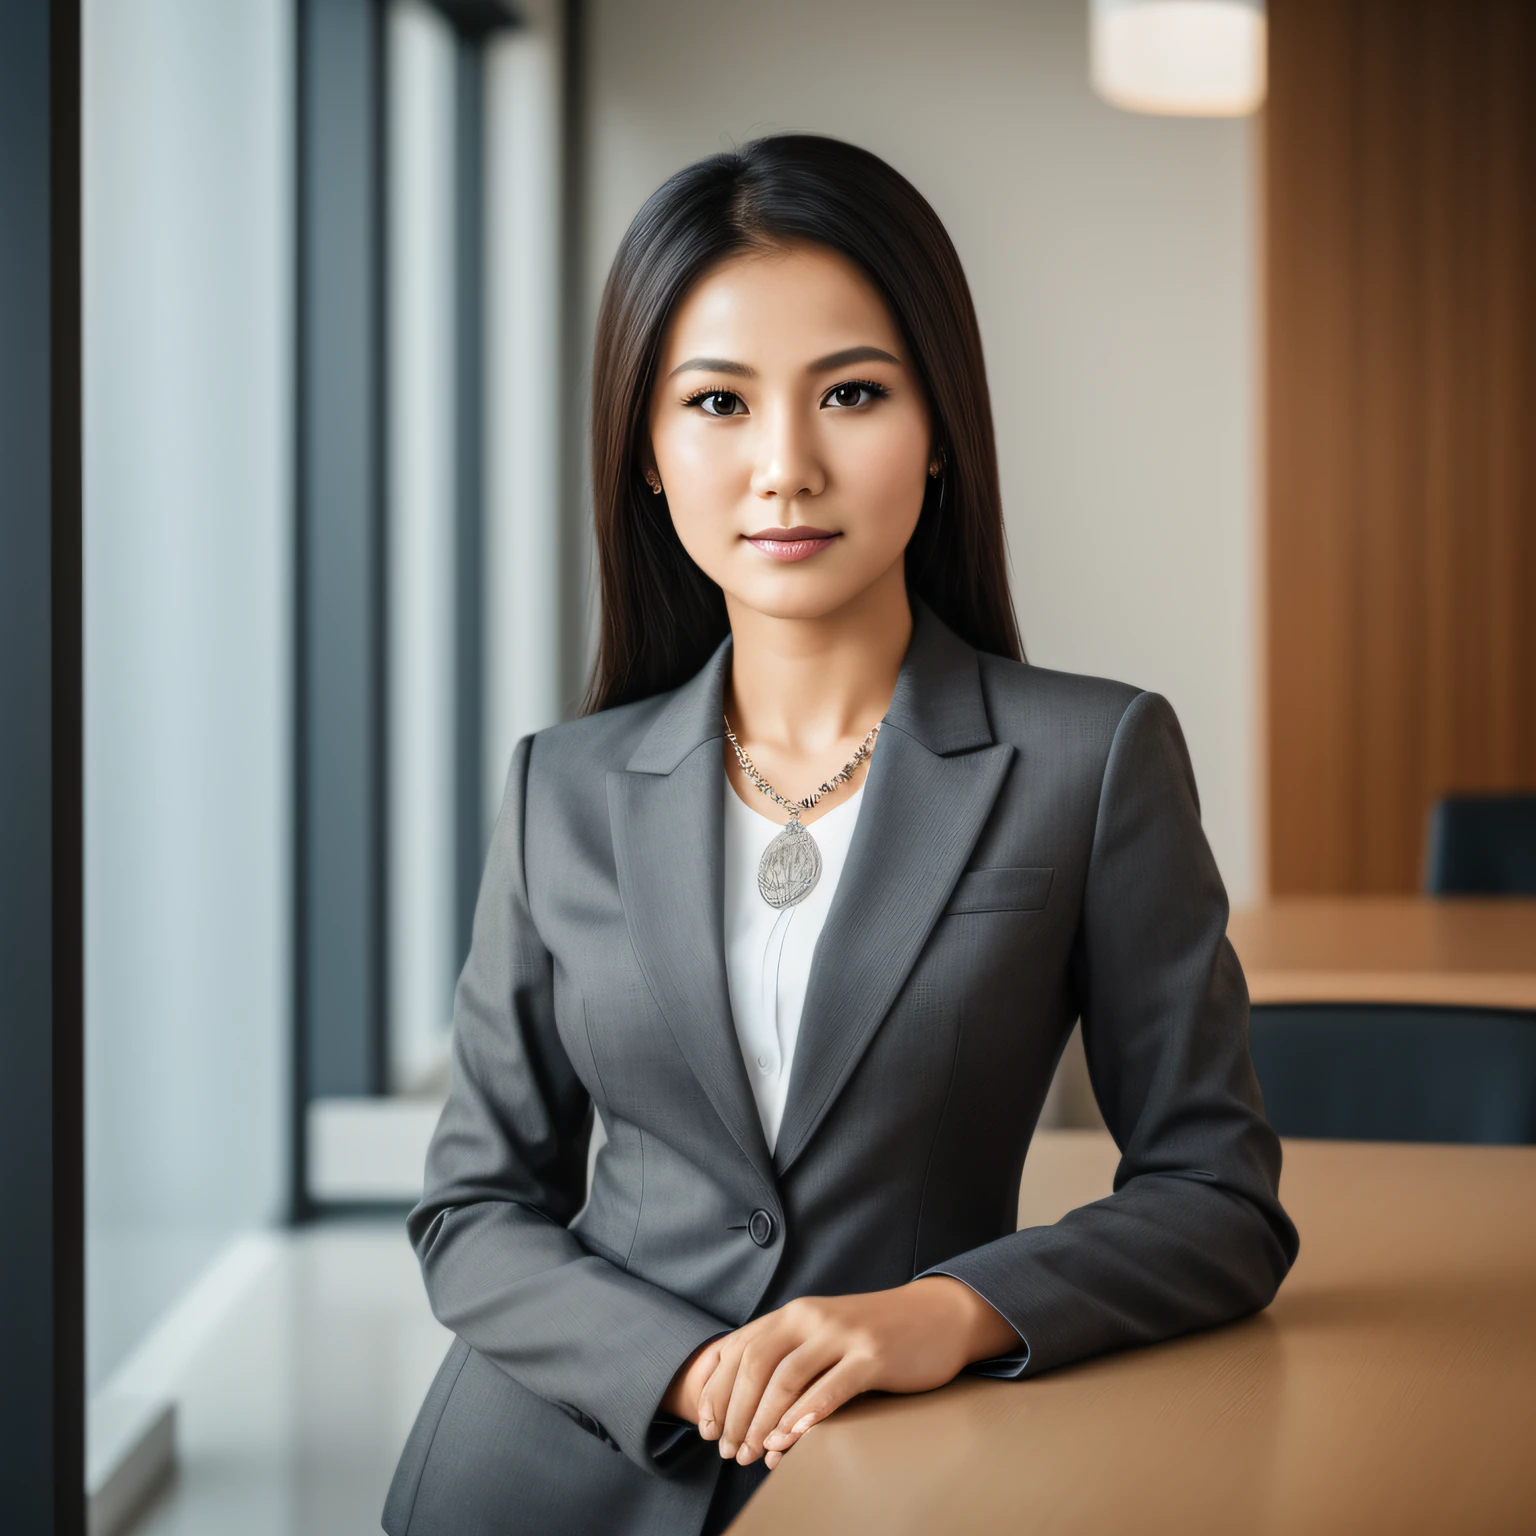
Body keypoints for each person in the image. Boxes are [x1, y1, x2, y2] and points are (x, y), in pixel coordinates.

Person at [381, 133, 1298, 1536]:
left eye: (852, 395)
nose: (785, 466)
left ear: (939, 431)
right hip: (552, 1476)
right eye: (719, 403)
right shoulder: (558, 787)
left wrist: (947, 1313)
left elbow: (1218, 1196)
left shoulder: (1092, 759)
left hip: (913, 1476)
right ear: (646, 449)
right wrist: (678, 1368)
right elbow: (472, 1209)